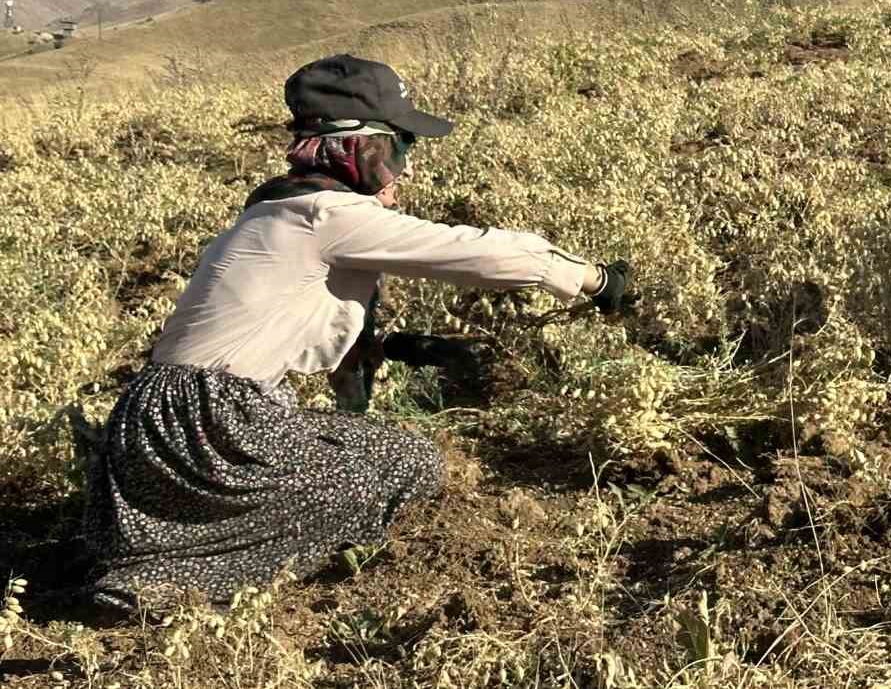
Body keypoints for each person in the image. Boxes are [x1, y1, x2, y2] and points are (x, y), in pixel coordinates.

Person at [80, 54, 631, 613]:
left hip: (147, 426)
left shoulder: (272, 212)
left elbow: (290, 322)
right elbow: (474, 251)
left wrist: (396, 346)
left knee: (355, 448)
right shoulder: (326, 215)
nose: (407, 167)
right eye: (400, 147)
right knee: (406, 462)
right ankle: (170, 580)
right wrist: (591, 278)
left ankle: (161, 550)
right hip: (211, 425)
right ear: (360, 148)